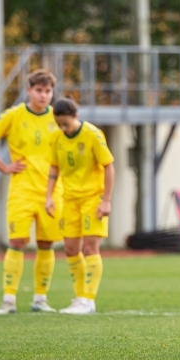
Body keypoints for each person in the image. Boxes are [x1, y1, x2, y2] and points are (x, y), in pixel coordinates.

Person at [0, 69, 64, 314]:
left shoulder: (58, 118)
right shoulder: (14, 115)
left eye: (48, 91)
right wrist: (4, 166)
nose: (44, 95)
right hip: (22, 190)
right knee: (17, 242)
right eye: (39, 90)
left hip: (51, 192)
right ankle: (9, 301)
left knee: (46, 245)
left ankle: (40, 299)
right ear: (29, 91)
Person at [45, 97, 115, 314]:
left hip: (92, 199)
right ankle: (79, 297)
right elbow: (54, 169)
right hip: (69, 200)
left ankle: (88, 300)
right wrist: (49, 196)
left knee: (89, 248)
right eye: (59, 124)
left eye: (66, 123)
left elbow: (109, 167)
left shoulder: (93, 135)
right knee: (70, 249)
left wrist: (106, 201)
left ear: (76, 116)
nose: (63, 128)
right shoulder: (57, 138)